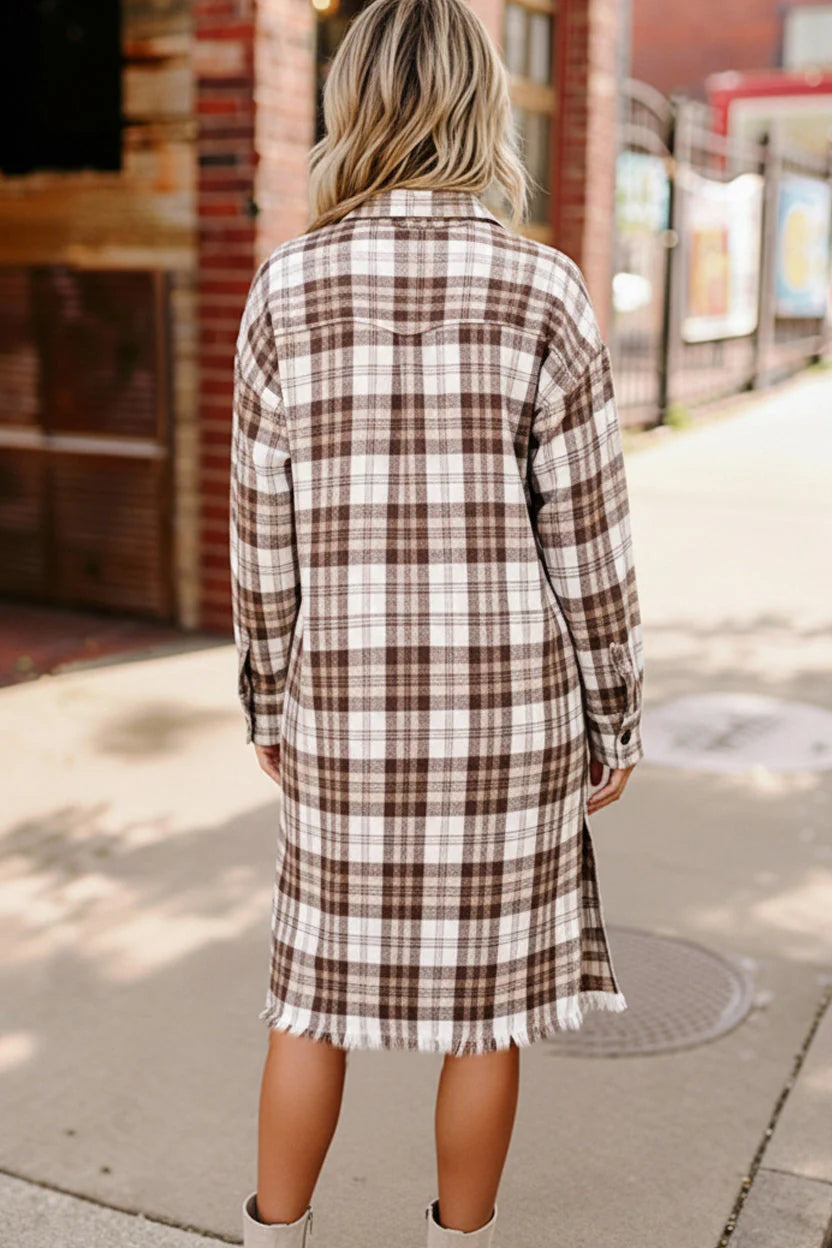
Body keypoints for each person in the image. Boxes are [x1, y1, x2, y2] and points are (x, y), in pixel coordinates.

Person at [229, 0, 645, 1242]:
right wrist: (612, 717)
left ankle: (273, 1236)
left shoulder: (285, 289)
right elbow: (592, 546)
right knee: (487, 1009)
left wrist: (266, 699)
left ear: (347, 110)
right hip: (508, 717)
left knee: (311, 996)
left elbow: (263, 540)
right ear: (481, 108)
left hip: (344, 711)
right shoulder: (544, 290)